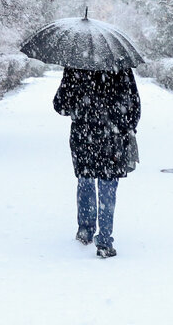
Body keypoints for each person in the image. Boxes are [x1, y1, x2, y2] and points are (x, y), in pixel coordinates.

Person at [53, 67, 141, 258]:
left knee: (85, 181)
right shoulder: (121, 68)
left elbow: (60, 105)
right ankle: (105, 240)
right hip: (113, 137)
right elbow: (134, 108)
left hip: (83, 136)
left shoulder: (75, 67)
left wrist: (80, 105)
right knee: (108, 187)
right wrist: (123, 123)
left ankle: (85, 230)